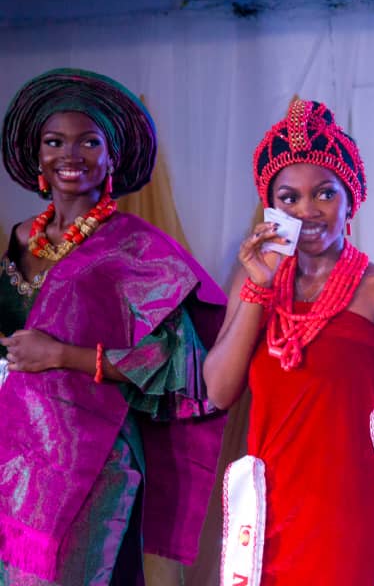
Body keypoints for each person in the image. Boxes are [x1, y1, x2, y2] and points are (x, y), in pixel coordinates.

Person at [0, 68, 227, 585]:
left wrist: (60, 355)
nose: (70, 155)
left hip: (93, 459)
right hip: (14, 456)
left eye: (88, 142)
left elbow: (176, 360)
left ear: (111, 157)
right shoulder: (20, 237)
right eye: (54, 141)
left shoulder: (136, 247)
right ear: (38, 155)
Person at [203, 97, 374, 585]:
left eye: (324, 194)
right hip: (264, 514)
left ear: (350, 199)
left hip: (350, 511)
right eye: (289, 199)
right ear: (271, 208)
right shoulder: (253, 282)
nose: (307, 211)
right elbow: (218, 391)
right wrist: (259, 287)